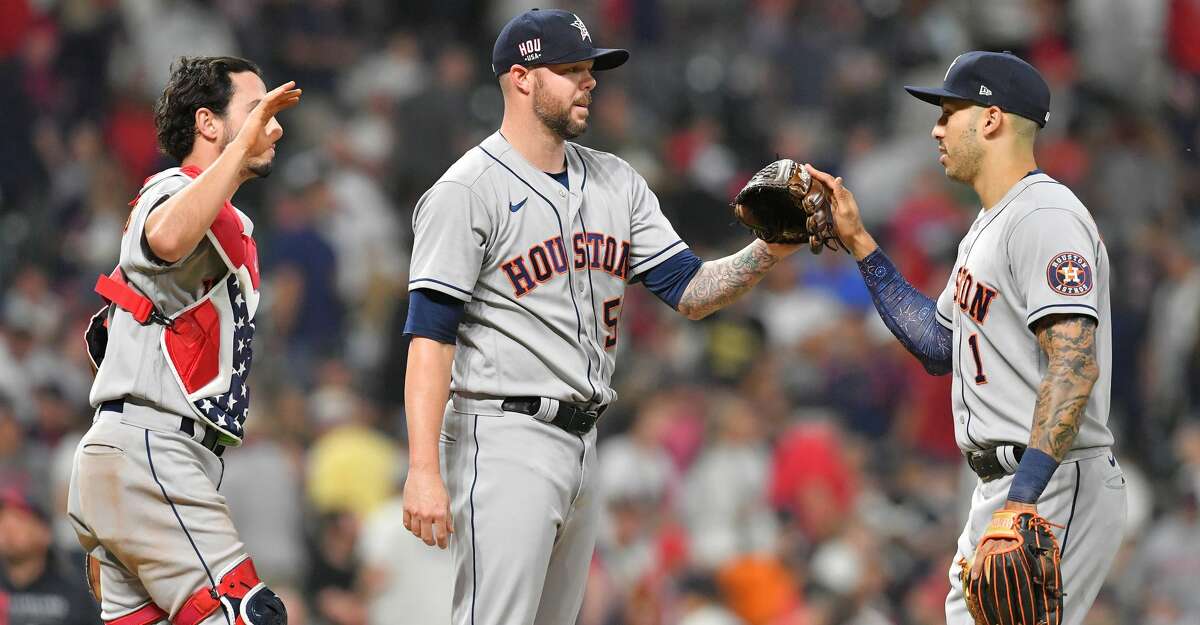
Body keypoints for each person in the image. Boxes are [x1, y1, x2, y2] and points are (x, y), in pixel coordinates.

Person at [401, 9, 808, 624]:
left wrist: (770, 249)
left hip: (586, 438)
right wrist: (423, 469)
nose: (588, 83)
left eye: (590, 71)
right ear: (521, 79)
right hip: (503, 431)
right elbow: (429, 337)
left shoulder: (617, 181)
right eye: (569, 70)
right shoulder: (467, 190)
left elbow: (691, 291)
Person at [807, 51, 1127, 625]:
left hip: (1049, 481)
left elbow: (1074, 364)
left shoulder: (1045, 218)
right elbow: (938, 345)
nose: (935, 128)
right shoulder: (989, 223)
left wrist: (1025, 497)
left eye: (948, 112)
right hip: (1001, 488)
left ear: (990, 119)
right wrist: (859, 243)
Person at [67, 56, 300, 625]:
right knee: (247, 615)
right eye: (255, 110)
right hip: (150, 446)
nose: (272, 125)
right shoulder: (171, 188)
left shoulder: (228, 218)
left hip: (146, 454)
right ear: (209, 123)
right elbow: (167, 236)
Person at [0, 486, 99, 625]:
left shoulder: (77, 590)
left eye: (19, 519)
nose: (7, 527)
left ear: (45, 532)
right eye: (2, 519)